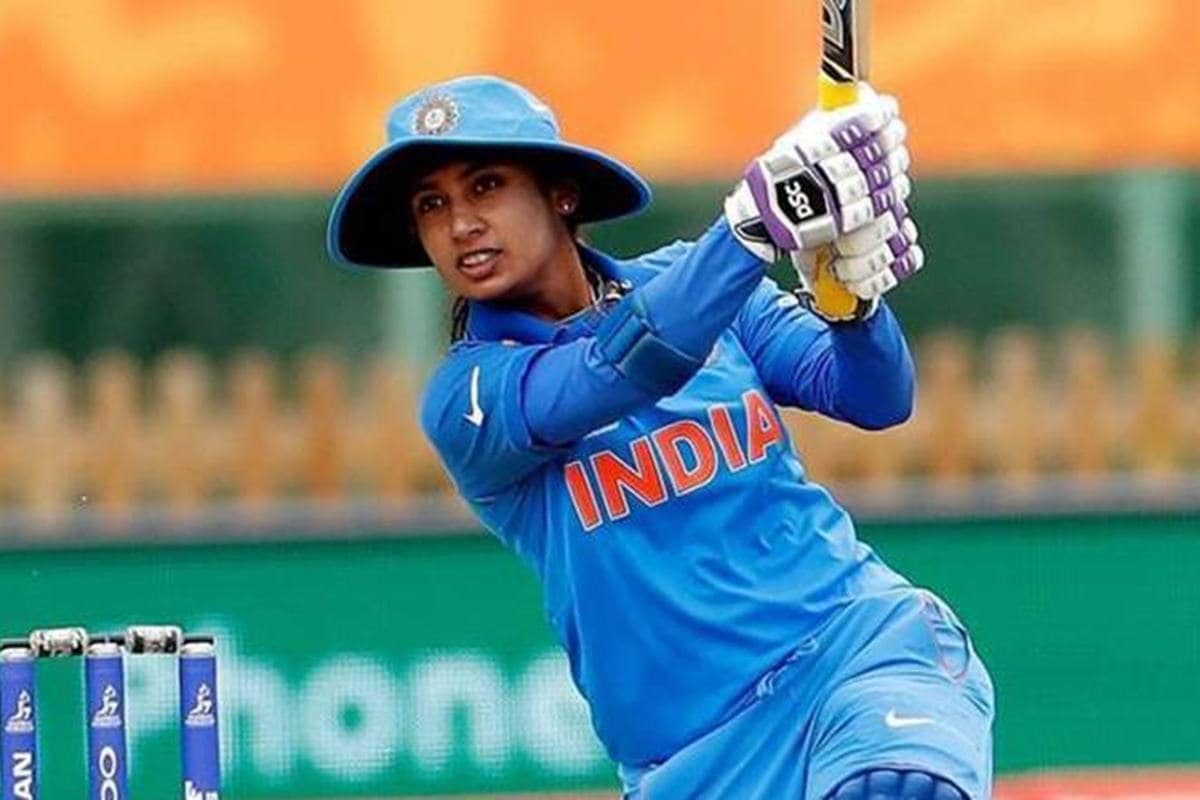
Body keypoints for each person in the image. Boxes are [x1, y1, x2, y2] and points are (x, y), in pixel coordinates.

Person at [327, 75, 994, 800]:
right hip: (695, 761)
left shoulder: (693, 279)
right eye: (432, 205)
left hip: (851, 654)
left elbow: (874, 396)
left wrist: (854, 303)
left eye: (485, 185)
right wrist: (752, 227)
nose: (461, 224)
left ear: (561, 194)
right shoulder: (469, 396)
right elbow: (620, 368)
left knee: (896, 786)